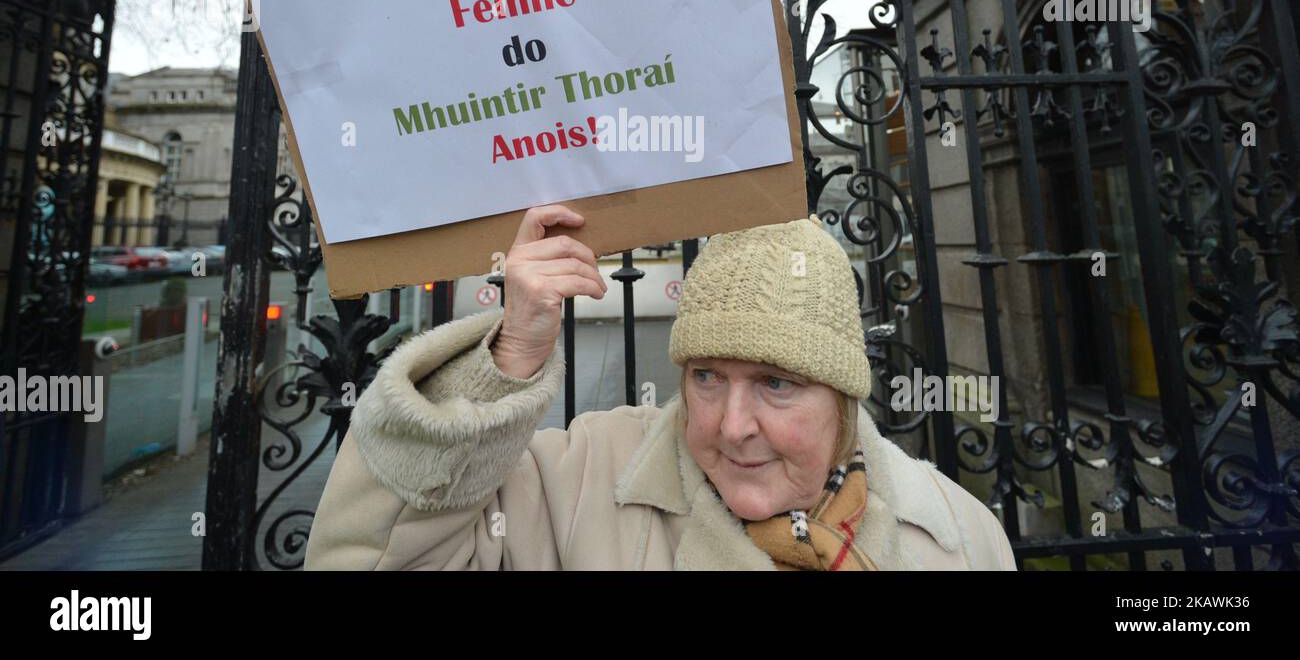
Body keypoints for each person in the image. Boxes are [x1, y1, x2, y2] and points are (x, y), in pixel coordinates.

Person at [304, 203, 1017, 570]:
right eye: (707, 376)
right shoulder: (575, 483)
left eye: (776, 383)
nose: (731, 425)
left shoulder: (959, 540)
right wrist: (514, 350)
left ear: (843, 396)